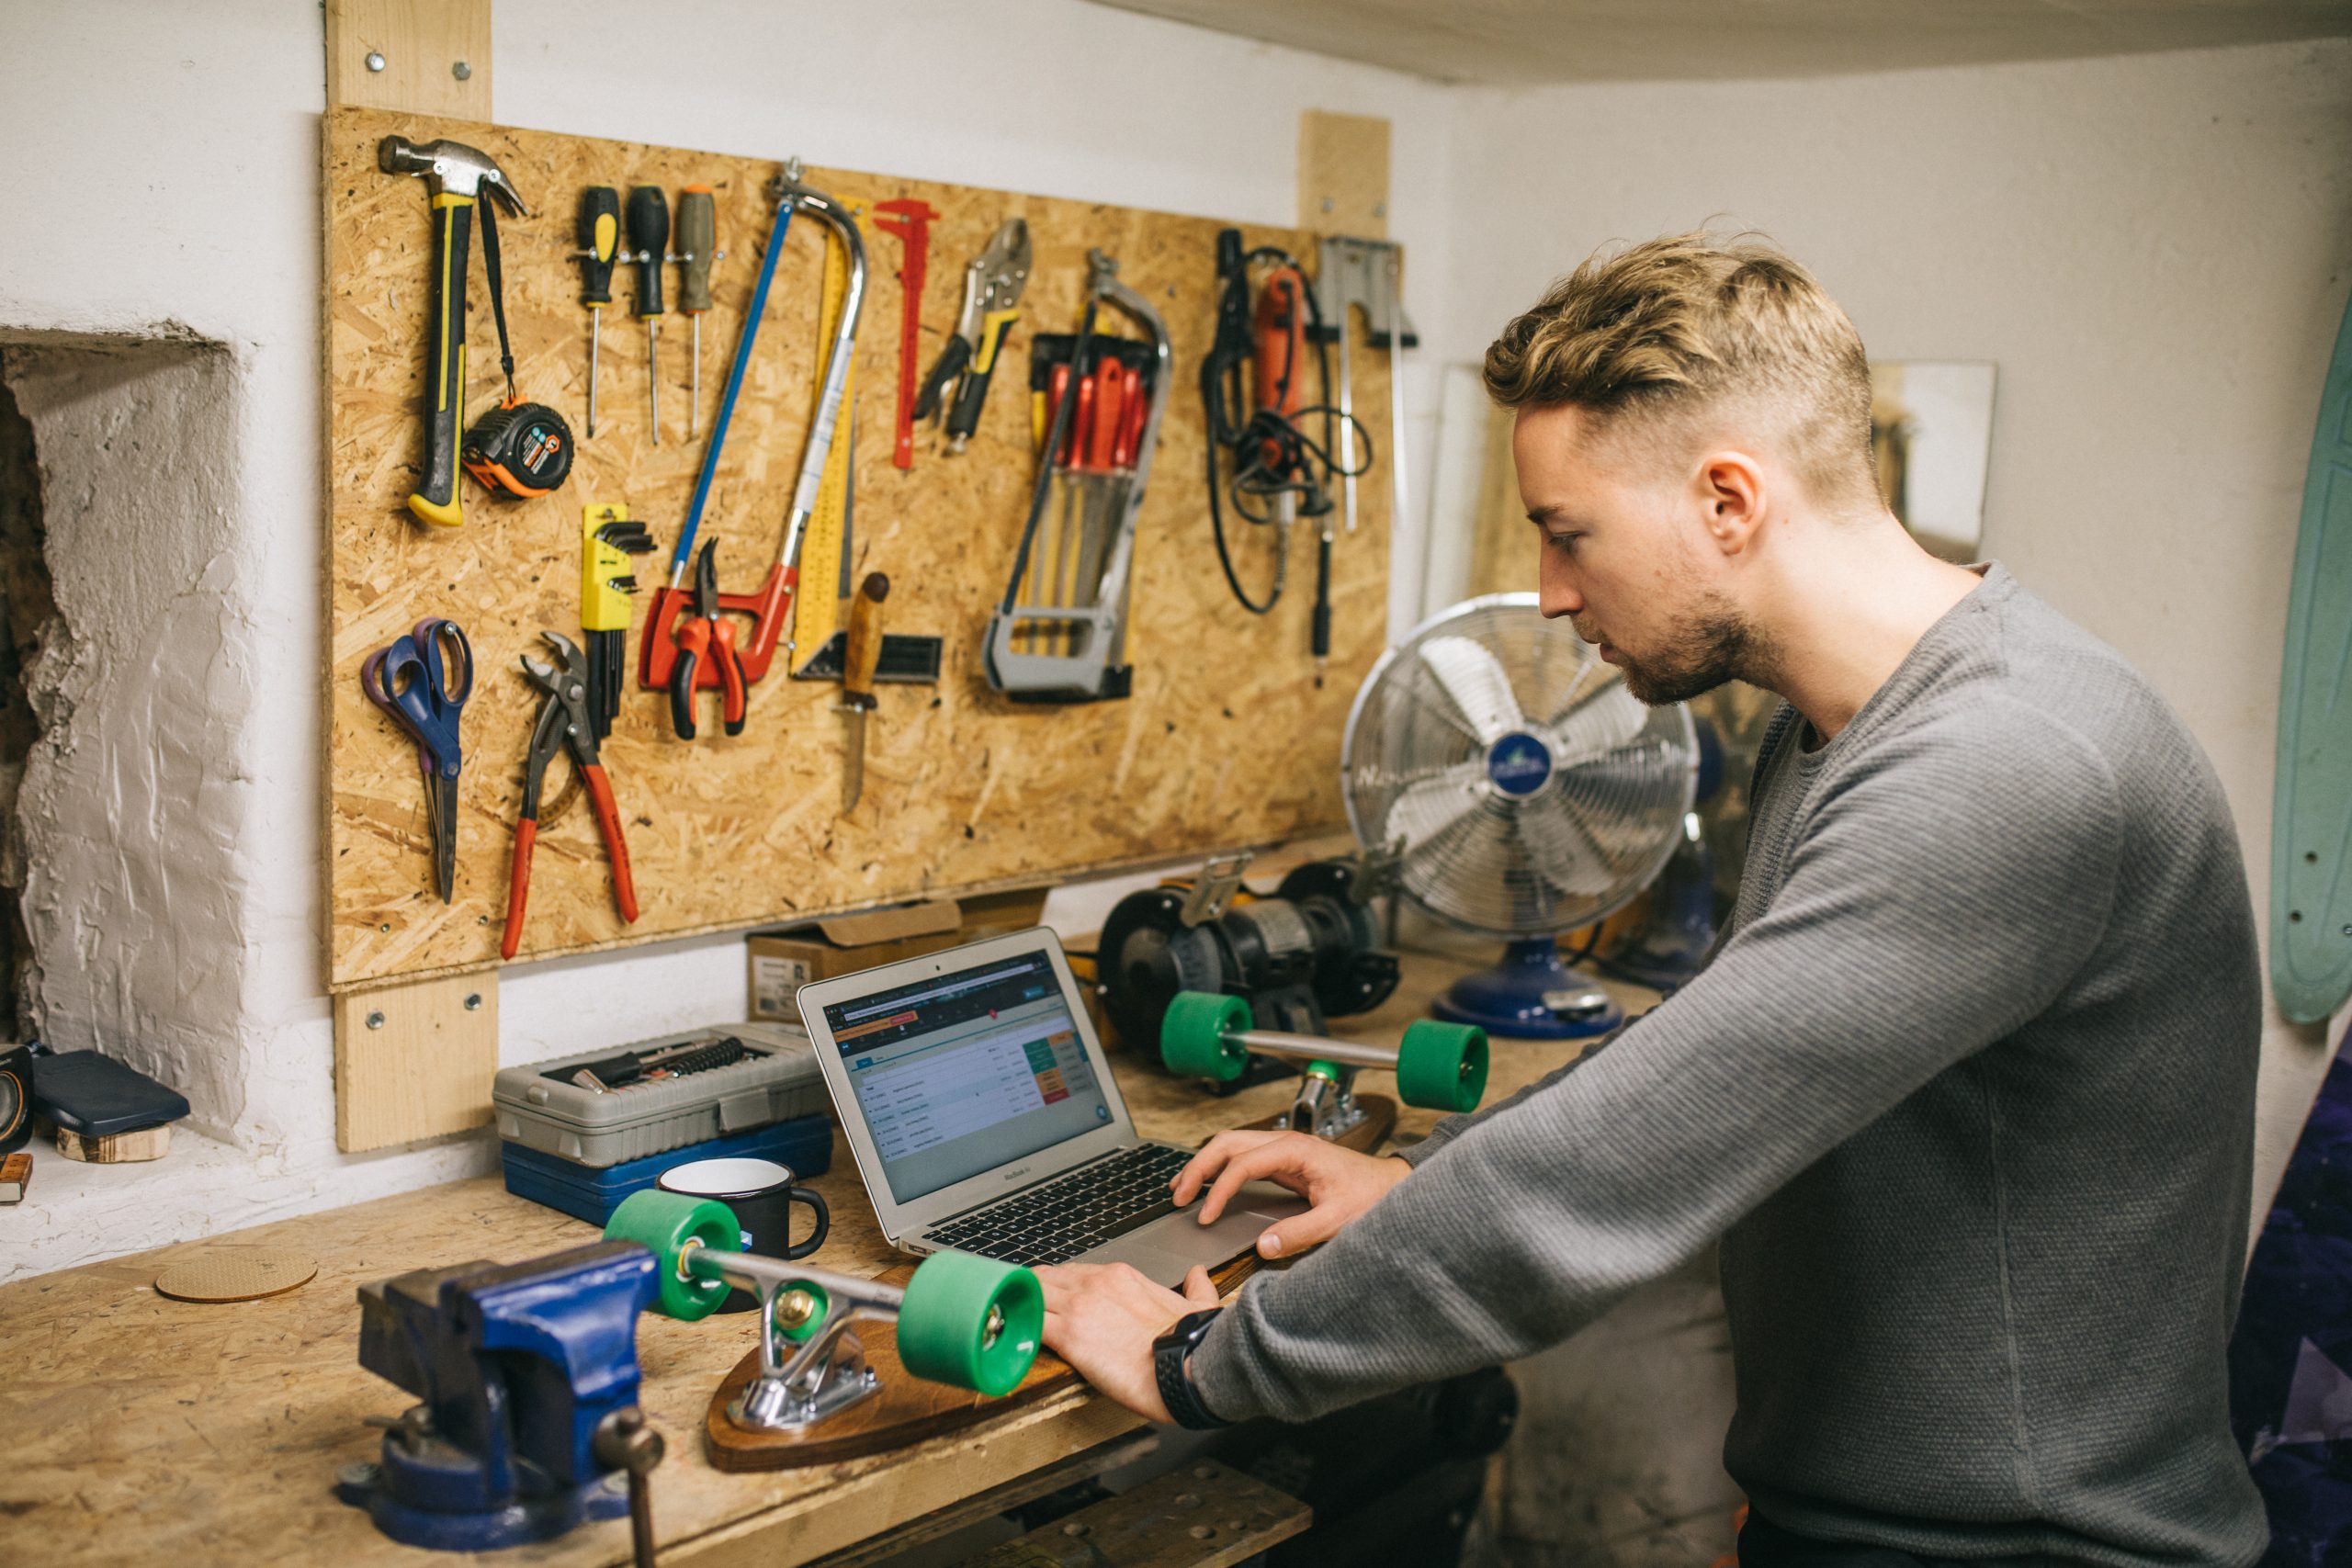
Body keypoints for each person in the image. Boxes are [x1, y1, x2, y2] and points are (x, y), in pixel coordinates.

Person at [1037, 231, 2267, 1567]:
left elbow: (1630, 1166)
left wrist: (1208, 1364)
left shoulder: (2000, 772)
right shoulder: (1860, 726)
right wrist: (1416, 1187)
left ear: (1729, 501)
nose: (1555, 597)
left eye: (1571, 537)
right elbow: (1698, 1072)